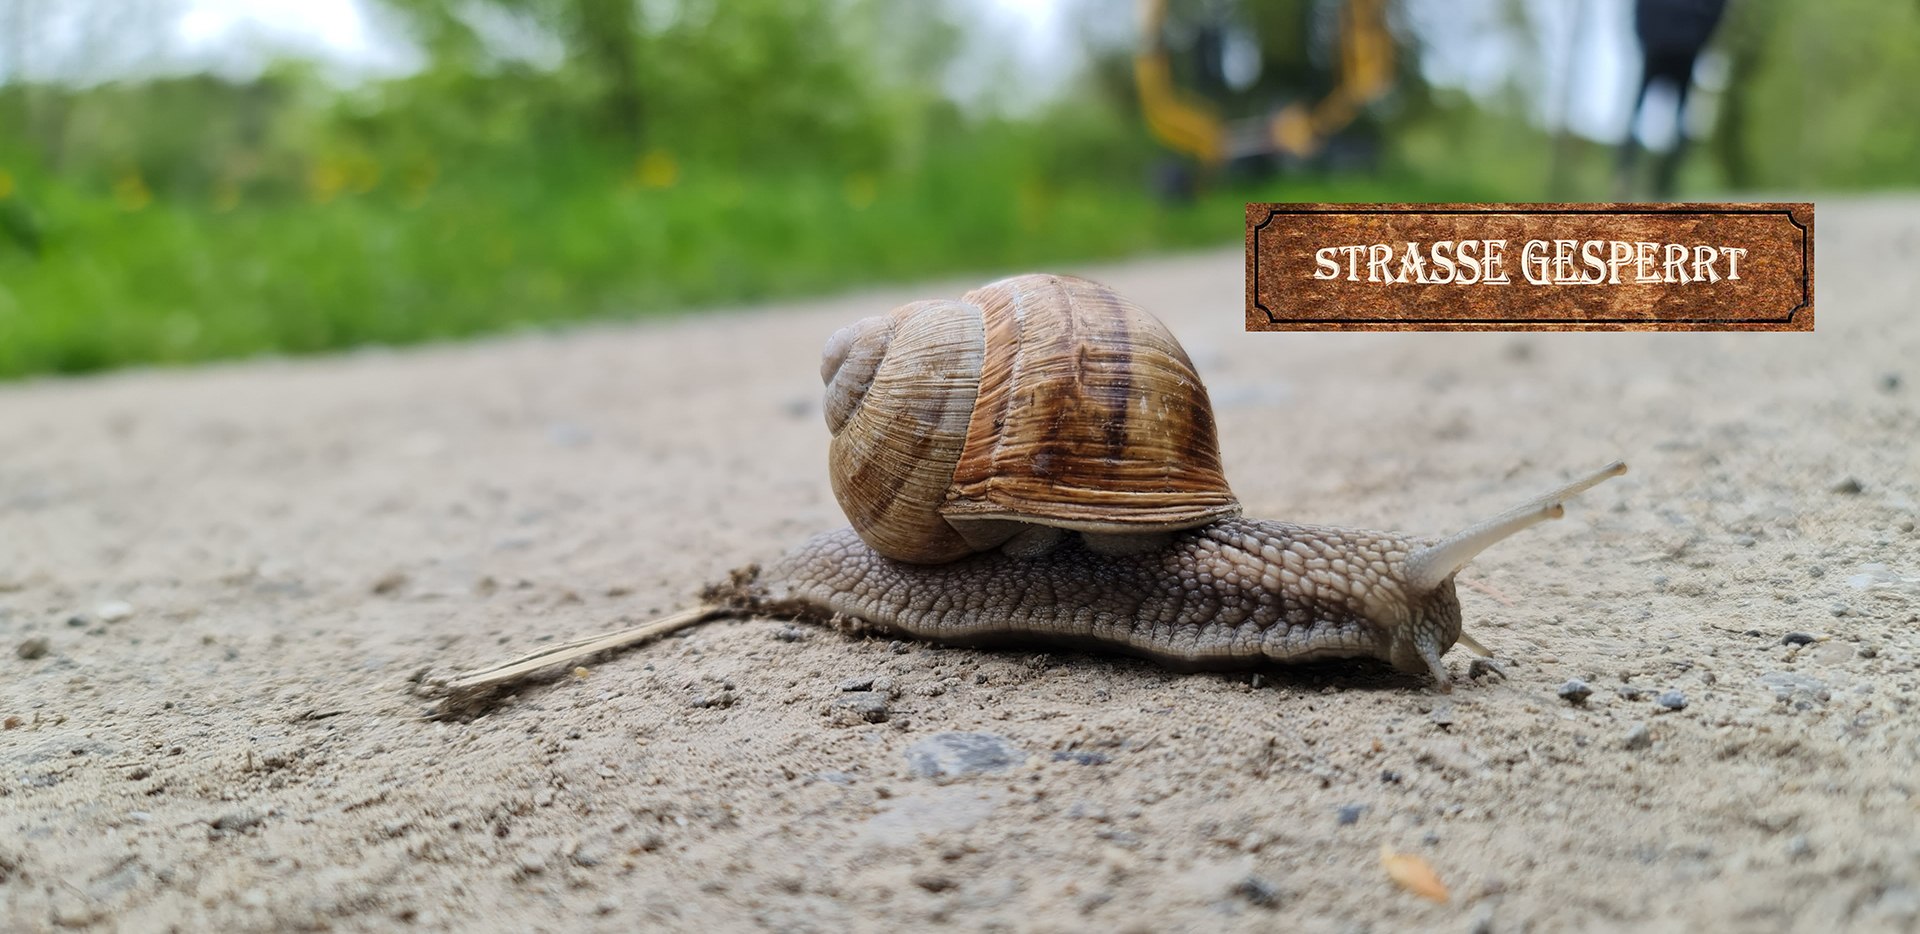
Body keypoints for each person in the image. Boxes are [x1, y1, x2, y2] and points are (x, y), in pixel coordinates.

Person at [1616, 0, 1729, 199]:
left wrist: (1698, 39)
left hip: (1681, 45)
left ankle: (1662, 184)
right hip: (1661, 43)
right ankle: (1627, 178)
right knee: (1639, 116)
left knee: (1678, 120)